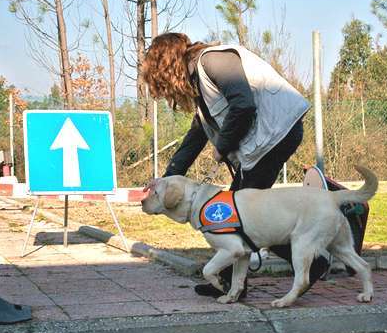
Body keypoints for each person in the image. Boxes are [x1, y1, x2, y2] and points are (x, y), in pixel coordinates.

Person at [141, 32, 330, 299]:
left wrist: (222, 146)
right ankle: (231, 282)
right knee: (235, 214)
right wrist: (165, 180)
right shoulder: (200, 87)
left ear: (167, 67)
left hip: (277, 134)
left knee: (238, 215)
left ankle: (312, 263)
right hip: (264, 142)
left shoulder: (214, 62)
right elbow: (195, 138)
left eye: (160, 81)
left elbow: (244, 105)